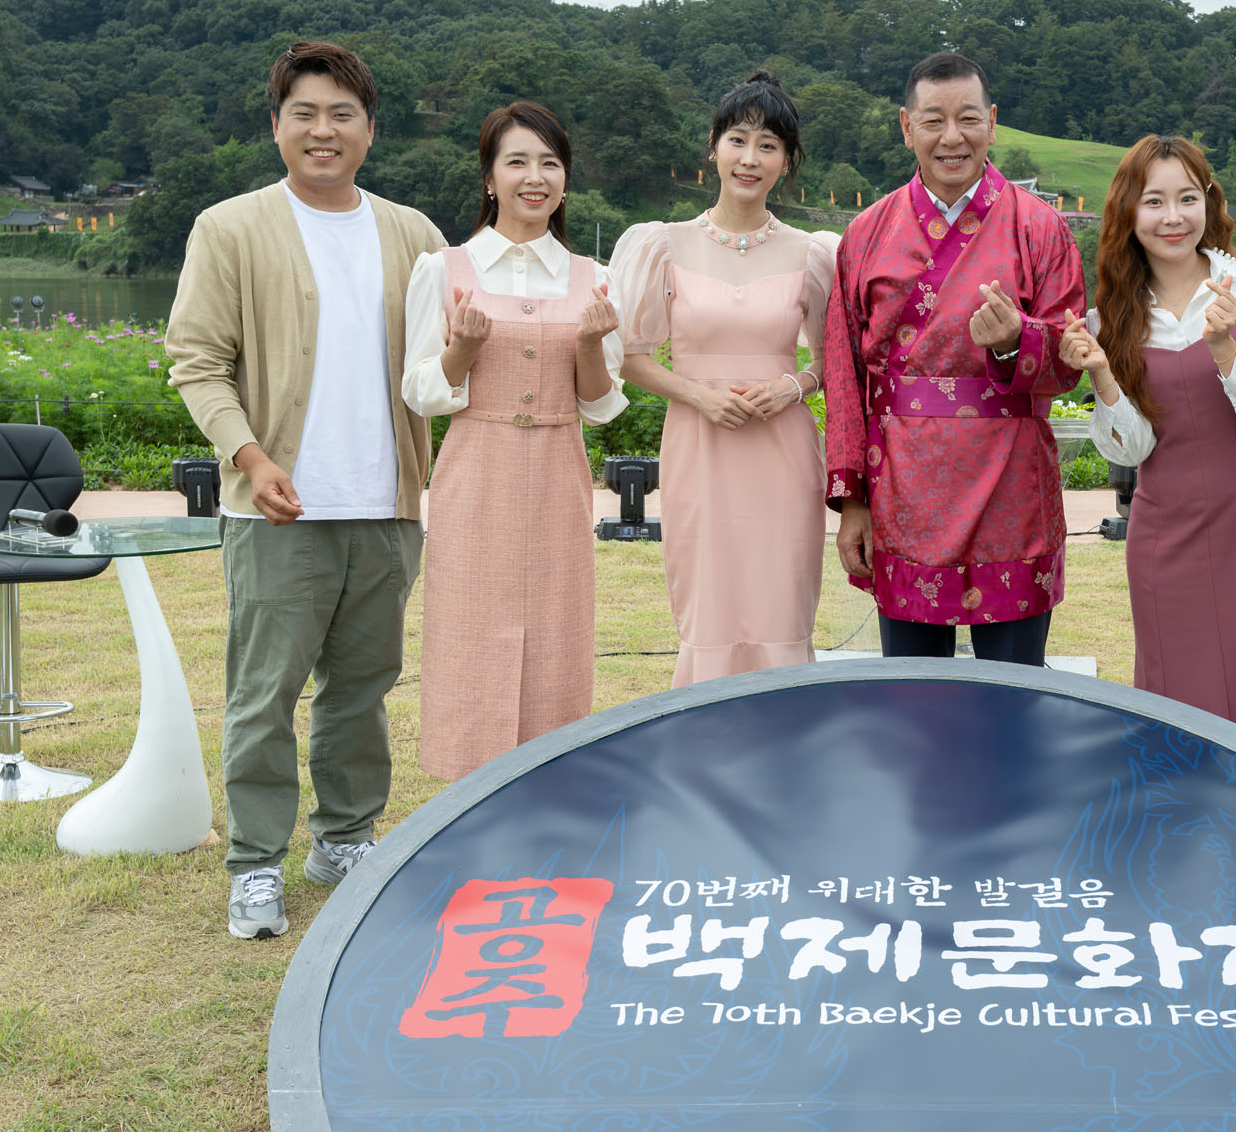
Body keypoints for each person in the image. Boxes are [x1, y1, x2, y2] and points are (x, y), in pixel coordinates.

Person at [166, 41, 446, 940]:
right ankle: (255, 861)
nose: (324, 131)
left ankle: (345, 839)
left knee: (362, 688)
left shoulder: (415, 234)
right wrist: (250, 457)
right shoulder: (230, 228)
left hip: (386, 504)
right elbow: (196, 361)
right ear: (276, 125)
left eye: (342, 115)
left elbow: (449, 358)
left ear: (370, 130)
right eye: (305, 114)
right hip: (276, 508)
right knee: (265, 693)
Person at [1058, 135, 1236, 761]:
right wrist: (1101, 374)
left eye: (1187, 198)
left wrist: (1225, 346)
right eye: (1154, 201)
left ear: (1210, 201)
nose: (1172, 217)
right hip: (1162, 536)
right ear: (1128, 211)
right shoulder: (1109, 315)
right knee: (1177, 692)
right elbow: (1132, 450)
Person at [824, 52, 1085, 666]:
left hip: (1010, 491)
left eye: (968, 118)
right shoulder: (866, 233)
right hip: (900, 491)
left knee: (1014, 688)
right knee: (914, 695)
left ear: (991, 123)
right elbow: (843, 376)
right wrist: (852, 501)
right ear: (906, 127)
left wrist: (1016, 342)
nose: (951, 137)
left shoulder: (1041, 228)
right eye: (933, 120)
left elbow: (1070, 361)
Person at [402, 101, 625, 781]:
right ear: (489, 177)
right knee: (468, 630)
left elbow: (600, 406)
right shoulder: (443, 268)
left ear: (566, 179)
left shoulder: (593, 277)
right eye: (517, 162)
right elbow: (420, 392)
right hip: (477, 471)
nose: (535, 177)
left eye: (550, 163)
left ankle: (552, 783)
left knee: (558, 633)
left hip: (559, 473)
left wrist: (590, 342)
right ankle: (468, 788)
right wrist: (461, 351)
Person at [610, 72, 838, 683]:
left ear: (787, 162)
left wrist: (791, 387)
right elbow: (630, 354)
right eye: (738, 140)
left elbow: (832, 361)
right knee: (708, 611)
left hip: (784, 454)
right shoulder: (662, 246)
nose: (750, 158)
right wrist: (700, 397)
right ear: (713, 147)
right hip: (699, 448)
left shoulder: (814, 254)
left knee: (781, 610)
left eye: (769, 145)